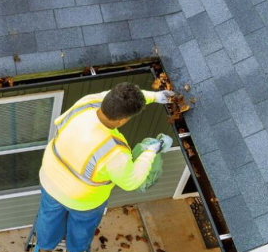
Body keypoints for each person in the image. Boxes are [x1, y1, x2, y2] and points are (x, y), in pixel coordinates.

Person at [34, 82, 175, 252]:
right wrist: (151, 151)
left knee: (48, 217)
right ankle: (76, 250)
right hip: (82, 201)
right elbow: (131, 182)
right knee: (81, 228)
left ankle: (44, 245)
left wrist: (155, 96)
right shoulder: (114, 151)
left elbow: (119, 98)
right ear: (123, 120)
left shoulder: (87, 103)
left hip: (50, 180)